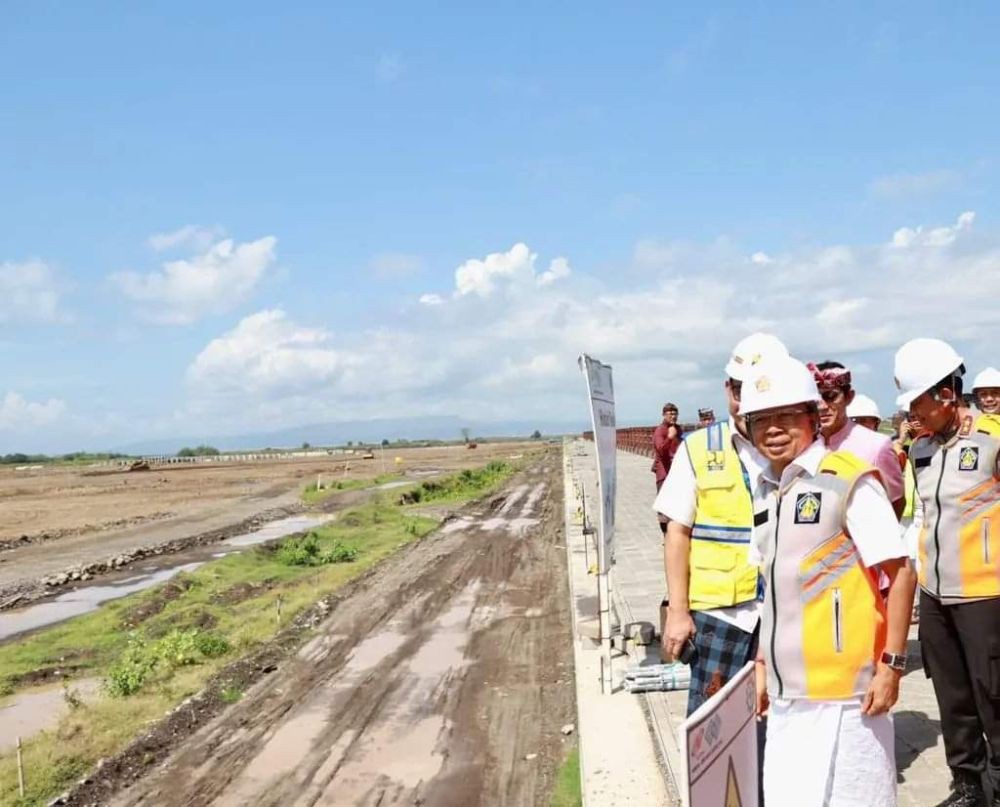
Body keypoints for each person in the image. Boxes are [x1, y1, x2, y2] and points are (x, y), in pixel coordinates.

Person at [745, 355, 916, 807]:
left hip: (847, 700)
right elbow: (775, 591)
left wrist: (892, 665)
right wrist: (763, 666)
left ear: (811, 416)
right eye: (761, 419)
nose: (773, 429)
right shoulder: (769, 491)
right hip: (787, 697)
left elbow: (901, 572)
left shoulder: (847, 482)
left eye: (786, 416)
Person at [655, 332, 788, 714]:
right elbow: (676, 533)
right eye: (738, 388)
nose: (745, 399)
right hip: (720, 616)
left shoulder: (795, 444)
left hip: (785, 609)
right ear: (727, 387)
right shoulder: (698, 449)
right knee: (713, 726)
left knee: (782, 719)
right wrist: (678, 612)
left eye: (757, 388)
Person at [896, 338, 1000, 807]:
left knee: (993, 697)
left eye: (918, 401)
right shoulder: (919, 449)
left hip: (986, 595)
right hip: (935, 595)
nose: (913, 413)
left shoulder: (993, 439)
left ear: (945, 394)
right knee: (954, 701)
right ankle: (968, 785)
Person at [810, 360, 905, 517]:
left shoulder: (877, 445)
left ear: (849, 397)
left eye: (831, 396)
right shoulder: (805, 446)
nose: (822, 406)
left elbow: (896, 502)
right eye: (816, 400)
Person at [651, 403, 682, 535]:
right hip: (664, 472)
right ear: (664, 415)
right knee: (664, 505)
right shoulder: (660, 430)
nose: (673, 416)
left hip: (677, 472)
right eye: (670, 414)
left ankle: (676, 533)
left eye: (675, 414)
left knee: (678, 504)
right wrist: (669, 437)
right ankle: (665, 536)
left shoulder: (678, 429)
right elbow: (661, 450)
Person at [972, 368, 1000, 436]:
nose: (989, 399)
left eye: (995, 393)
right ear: (977, 398)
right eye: (983, 394)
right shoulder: (973, 425)